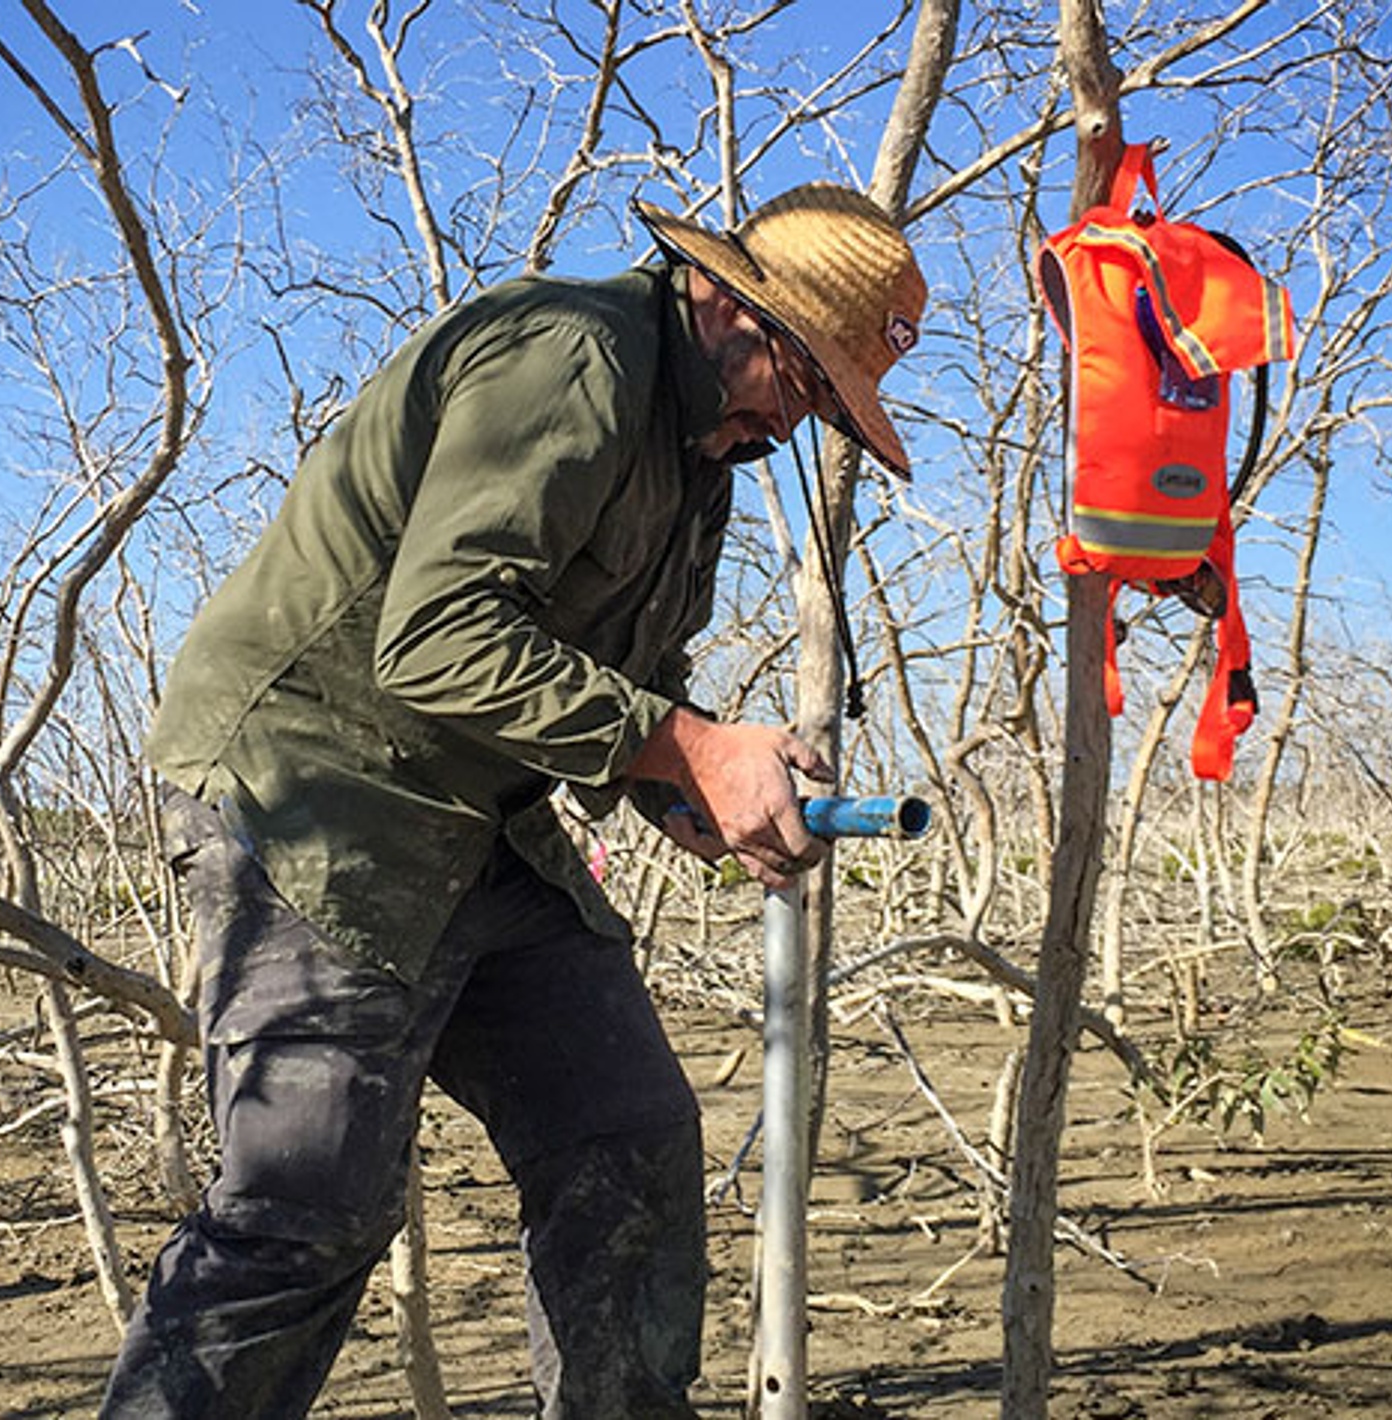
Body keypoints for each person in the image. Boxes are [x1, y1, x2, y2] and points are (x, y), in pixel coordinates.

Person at [99, 183, 926, 1419]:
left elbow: (636, 682)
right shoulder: (574, 354)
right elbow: (435, 638)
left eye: (825, 403)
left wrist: (679, 789)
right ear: (723, 299)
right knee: (308, 1196)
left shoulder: (704, 456)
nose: (795, 421)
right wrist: (684, 745)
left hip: (479, 817)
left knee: (628, 1140)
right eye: (801, 378)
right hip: (313, 783)